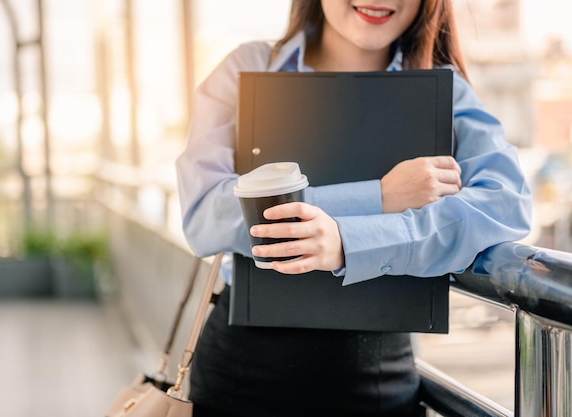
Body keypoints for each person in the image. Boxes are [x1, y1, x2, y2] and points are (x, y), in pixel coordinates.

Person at [175, 1, 532, 416]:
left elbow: (507, 203)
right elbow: (203, 213)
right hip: (243, 378)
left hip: (377, 381)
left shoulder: (441, 90)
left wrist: (351, 242)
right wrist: (379, 197)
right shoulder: (250, 66)